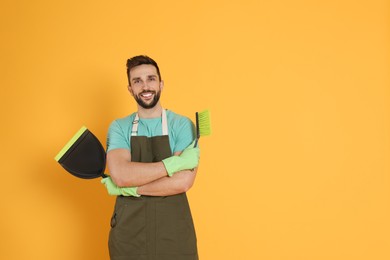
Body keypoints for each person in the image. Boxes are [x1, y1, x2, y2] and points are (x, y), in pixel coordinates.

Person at [101, 55, 200, 260]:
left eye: (151, 79)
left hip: (174, 232)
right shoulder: (119, 127)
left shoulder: (182, 125)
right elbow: (120, 174)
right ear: (130, 88)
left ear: (161, 83)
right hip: (129, 234)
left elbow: (182, 182)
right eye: (137, 81)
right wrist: (174, 163)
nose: (145, 86)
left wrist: (131, 188)